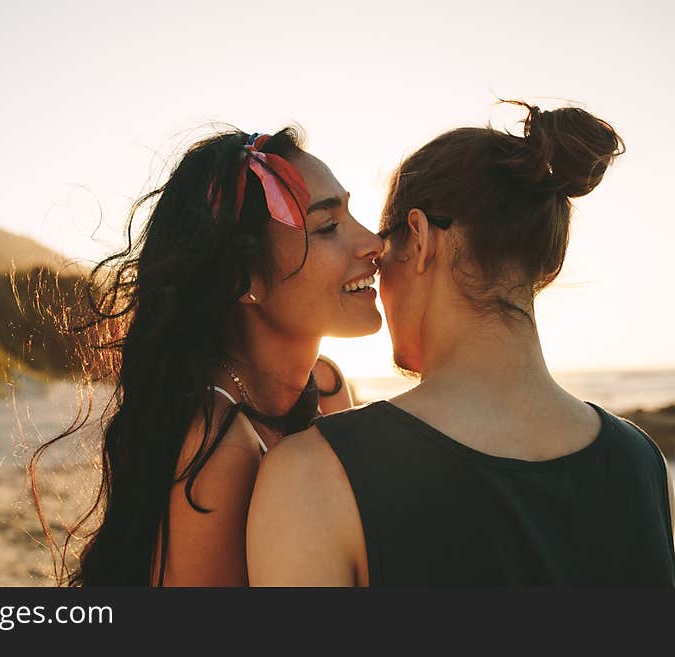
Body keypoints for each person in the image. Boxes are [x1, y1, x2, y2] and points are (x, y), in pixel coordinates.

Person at [247, 103, 675, 586]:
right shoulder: (640, 461)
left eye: (385, 245)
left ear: (420, 238)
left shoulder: (312, 477)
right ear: (544, 262)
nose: (374, 263)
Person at [33, 127, 384, 586]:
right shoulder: (218, 450)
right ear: (245, 278)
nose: (373, 242)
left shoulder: (328, 385)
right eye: (328, 227)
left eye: (352, 213)